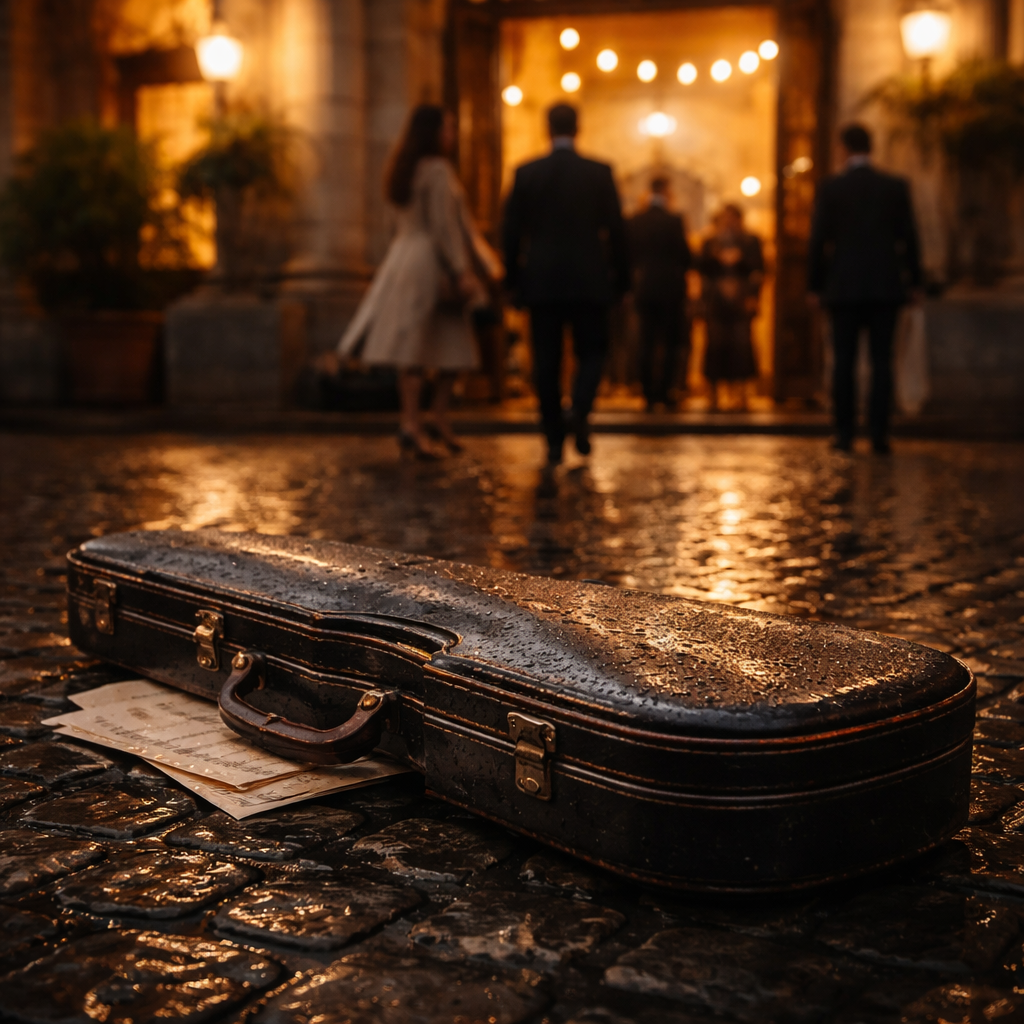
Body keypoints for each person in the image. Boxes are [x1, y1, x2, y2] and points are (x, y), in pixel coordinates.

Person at [337, 104, 501, 459]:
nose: (452, 135)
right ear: (433, 132)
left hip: (403, 257)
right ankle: (416, 422)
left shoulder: (400, 170)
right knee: (433, 346)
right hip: (432, 262)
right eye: (448, 128)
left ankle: (426, 420)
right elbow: (444, 226)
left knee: (436, 345)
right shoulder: (439, 170)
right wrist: (460, 269)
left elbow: (389, 225)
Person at [502, 103, 630, 466]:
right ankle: (579, 408)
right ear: (579, 128)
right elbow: (617, 231)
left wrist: (512, 280)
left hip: (542, 280)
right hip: (589, 278)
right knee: (592, 351)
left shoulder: (527, 173)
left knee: (546, 358)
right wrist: (622, 281)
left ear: (547, 128)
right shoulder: (598, 173)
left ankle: (554, 436)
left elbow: (511, 232)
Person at [809, 122, 922, 454]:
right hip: (886, 286)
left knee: (843, 362)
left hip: (843, 287)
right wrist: (914, 282)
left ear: (843, 149)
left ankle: (844, 433)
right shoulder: (894, 186)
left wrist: (814, 285)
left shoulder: (831, 188)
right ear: (870, 149)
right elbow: (910, 239)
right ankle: (879, 434)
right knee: (882, 362)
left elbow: (819, 241)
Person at [629, 176, 692, 411]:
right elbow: (685, 257)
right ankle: (665, 391)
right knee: (670, 342)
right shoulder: (674, 220)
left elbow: (627, 255)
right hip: (670, 289)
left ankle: (647, 393)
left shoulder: (636, 220)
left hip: (643, 287)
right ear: (666, 191)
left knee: (645, 341)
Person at [699, 204, 763, 411]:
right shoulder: (710, 242)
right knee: (716, 345)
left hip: (740, 301)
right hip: (716, 301)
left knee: (741, 346)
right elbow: (702, 269)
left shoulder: (750, 241)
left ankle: (742, 394)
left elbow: (759, 269)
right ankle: (714, 394)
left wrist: (753, 295)